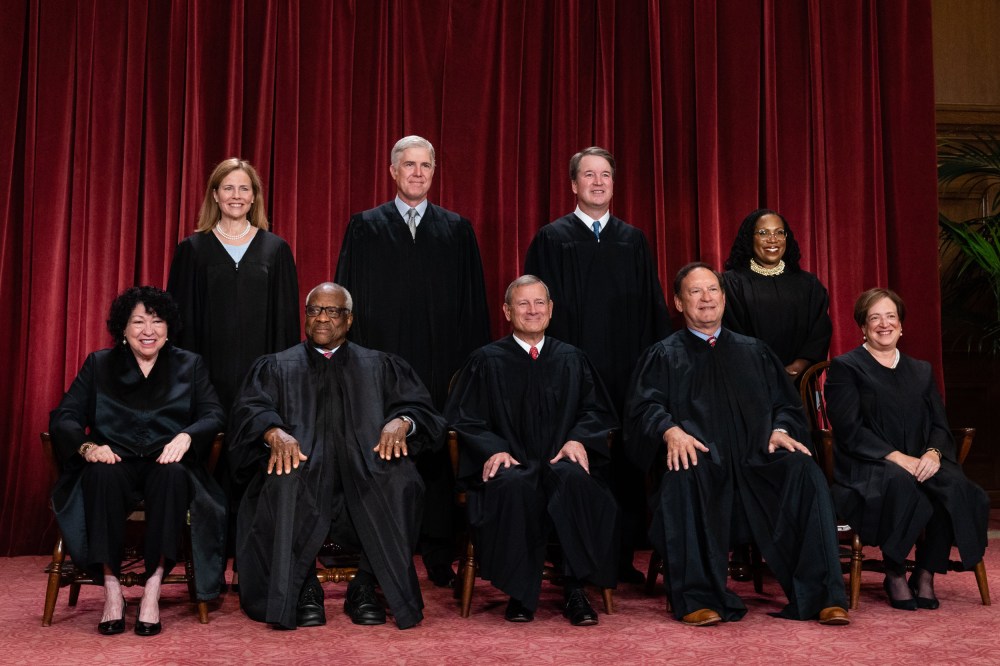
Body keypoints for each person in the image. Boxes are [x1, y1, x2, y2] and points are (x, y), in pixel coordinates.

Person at [625, 262, 849, 627]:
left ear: (724, 298)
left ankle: (822, 596)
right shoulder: (663, 355)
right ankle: (698, 597)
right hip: (703, 465)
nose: (706, 298)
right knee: (684, 473)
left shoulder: (755, 352)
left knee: (803, 471)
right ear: (680, 304)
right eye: (695, 292)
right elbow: (643, 409)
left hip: (757, 462)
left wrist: (780, 429)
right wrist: (670, 431)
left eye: (712, 290)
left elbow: (786, 406)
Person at [227, 282, 446, 630]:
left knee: (402, 481)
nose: (322, 319)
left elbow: (423, 410)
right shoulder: (276, 367)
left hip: (366, 469)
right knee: (282, 480)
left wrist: (402, 422)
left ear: (349, 319)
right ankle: (301, 587)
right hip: (304, 469)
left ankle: (364, 586)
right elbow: (249, 410)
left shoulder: (381, 365)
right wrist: (273, 431)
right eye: (314, 310)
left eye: (332, 311)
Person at [335, 135, 490, 587]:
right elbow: (347, 302)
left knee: (438, 457)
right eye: (409, 165)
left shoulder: (457, 229)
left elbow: (472, 306)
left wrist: (469, 369)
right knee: (383, 454)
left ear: (433, 172)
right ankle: (382, 549)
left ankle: (439, 551)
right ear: (393, 172)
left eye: (425, 166)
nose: (418, 173)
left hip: (442, 364)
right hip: (381, 367)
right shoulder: (364, 226)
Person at [524, 146, 671, 583]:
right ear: (573, 184)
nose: (598, 182)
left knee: (624, 466)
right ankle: (569, 561)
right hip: (571, 378)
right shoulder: (552, 239)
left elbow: (652, 311)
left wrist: (654, 372)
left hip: (627, 374)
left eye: (605, 174)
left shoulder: (634, 240)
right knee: (577, 460)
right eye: (589, 175)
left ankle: (619, 559)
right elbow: (534, 314)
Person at [49, 286, 226, 636]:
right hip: (114, 458)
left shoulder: (189, 365)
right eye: (138, 322)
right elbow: (64, 416)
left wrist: (187, 435)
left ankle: (153, 588)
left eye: (157, 321)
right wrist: (87, 447)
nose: (149, 330)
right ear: (123, 329)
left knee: (174, 476)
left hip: (166, 459)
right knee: (100, 475)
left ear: (168, 327)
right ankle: (112, 589)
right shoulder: (99, 364)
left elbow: (214, 414)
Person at [446, 275, 619, 625]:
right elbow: (464, 419)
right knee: (512, 485)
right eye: (523, 303)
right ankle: (520, 593)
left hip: (561, 459)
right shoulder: (486, 360)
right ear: (508, 311)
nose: (532, 310)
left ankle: (575, 588)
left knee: (575, 482)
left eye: (539, 302)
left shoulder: (573, 359)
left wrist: (578, 439)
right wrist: (493, 448)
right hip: (514, 462)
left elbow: (597, 412)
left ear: (551, 309)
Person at [825, 288, 989, 611]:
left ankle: (926, 572)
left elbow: (940, 426)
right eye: (874, 318)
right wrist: (898, 458)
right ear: (862, 327)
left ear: (901, 326)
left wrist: (933, 454)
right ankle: (895, 571)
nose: (883, 324)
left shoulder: (921, 371)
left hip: (920, 459)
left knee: (954, 487)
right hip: (869, 464)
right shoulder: (846, 368)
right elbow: (849, 429)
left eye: (891, 317)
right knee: (900, 483)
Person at [167, 157, 300, 413]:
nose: (236, 196)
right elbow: (178, 323)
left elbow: (285, 324)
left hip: (262, 379)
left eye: (244, 188)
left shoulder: (275, 250)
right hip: (205, 376)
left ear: (253, 197)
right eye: (228, 188)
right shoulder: (192, 250)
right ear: (215, 195)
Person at [722, 208, 832, 380]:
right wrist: (765, 372)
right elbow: (731, 333)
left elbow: (820, 332)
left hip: (798, 382)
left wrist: (798, 367)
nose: (772, 240)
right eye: (763, 233)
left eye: (779, 233)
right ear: (750, 237)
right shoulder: (732, 284)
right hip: (750, 380)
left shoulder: (808, 284)